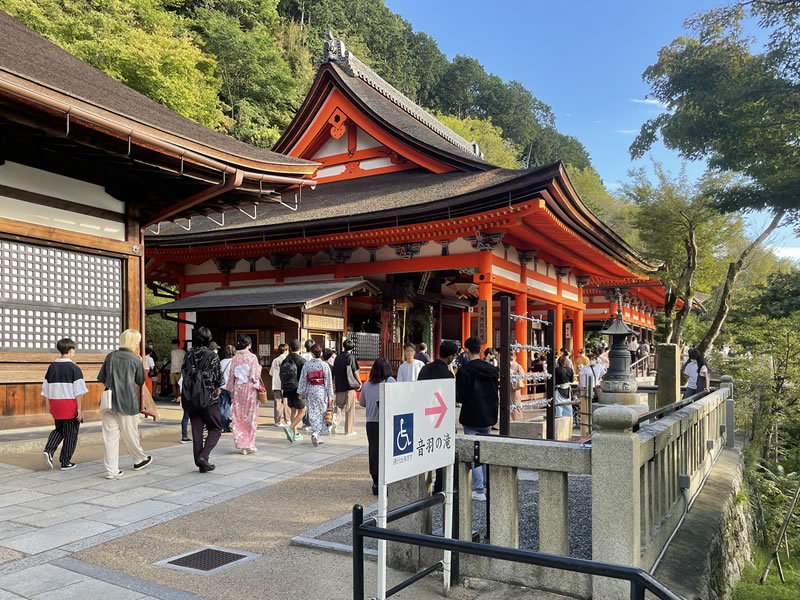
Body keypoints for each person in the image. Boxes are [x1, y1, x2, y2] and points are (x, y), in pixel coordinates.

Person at [97, 329, 153, 479]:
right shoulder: (135, 360)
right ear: (134, 343)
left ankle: (112, 470)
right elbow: (140, 381)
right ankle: (139, 459)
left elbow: (102, 377)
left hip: (109, 402)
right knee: (130, 434)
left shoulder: (110, 356)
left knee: (110, 437)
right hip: (128, 402)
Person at [456, 336, 499, 502]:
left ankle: (479, 489)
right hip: (488, 414)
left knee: (474, 452)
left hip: (471, 414)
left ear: (467, 350)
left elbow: (460, 395)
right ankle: (486, 485)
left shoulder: (465, 371)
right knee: (484, 450)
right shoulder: (491, 369)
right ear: (481, 350)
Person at [180, 327, 224, 472]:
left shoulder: (188, 355)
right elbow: (218, 378)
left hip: (191, 397)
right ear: (209, 339)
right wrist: (216, 388)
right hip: (208, 397)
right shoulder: (212, 355)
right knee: (216, 427)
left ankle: (200, 463)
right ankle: (203, 457)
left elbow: (184, 372)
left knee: (197, 429)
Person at [418, 341, 459, 495]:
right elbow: (449, 400)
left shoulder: (425, 369)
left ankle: (423, 486)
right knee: (441, 452)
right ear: (450, 356)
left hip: (425, 416)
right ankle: (439, 486)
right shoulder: (447, 374)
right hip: (441, 419)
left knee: (425, 449)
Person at [41, 338, 87, 471]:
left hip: (56, 403)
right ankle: (65, 461)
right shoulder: (74, 368)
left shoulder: (52, 367)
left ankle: (48, 450)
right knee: (71, 433)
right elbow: (78, 391)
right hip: (70, 404)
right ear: (71, 350)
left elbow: (46, 388)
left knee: (59, 430)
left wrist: (51, 405)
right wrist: (79, 409)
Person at [359, 357, 395, 495]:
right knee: (387, 452)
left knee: (374, 452)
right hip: (386, 422)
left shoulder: (367, 384)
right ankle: (387, 480)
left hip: (371, 423)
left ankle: (375, 482)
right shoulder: (390, 381)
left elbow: (362, 402)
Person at [226, 334, 262, 455]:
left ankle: (242, 444)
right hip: (249, 389)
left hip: (238, 389)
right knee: (251, 416)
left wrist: (230, 389)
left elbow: (231, 375)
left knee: (238, 416)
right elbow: (255, 376)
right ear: (249, 345)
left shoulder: (235, 358)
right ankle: (249, 444)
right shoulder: (252, 357)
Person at [296, 344, 334, 447]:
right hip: (322, 391)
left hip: (311, 391)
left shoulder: (307, 365)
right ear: (320, 353)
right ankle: (316, 433)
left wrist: (301, 392)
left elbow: (303, 380)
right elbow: (328, 381)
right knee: (321, 413)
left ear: (312, 354)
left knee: (312, 413)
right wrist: (330, 395)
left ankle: (317, 434)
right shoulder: (324, 365)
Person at [333, 339, 361, 435]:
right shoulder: (351, 357)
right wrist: (359, 382)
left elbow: (334, 373)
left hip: (339, 385)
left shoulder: (337, 358)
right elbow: (355, 371)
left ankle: (335, 422)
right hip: (350, 386)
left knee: (339, 406)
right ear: (352, 347)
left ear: (343, 346)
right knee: (350, 408)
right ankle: (348, 430)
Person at [281, 340, 307, 441]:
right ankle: (290, 428)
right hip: (298, 390)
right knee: (302, 411)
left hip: (288, 389)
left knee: (293, 411)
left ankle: (295, 433)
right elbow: (304, 377)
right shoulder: (302, 361)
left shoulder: (286, 359)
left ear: (291, 348)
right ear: (300, 348)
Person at [268, 343, 290, 428]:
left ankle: (277, 421)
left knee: (277, 402)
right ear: (286, 350)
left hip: (276, 384)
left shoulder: (275, 360)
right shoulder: (289, 359)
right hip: (286, 384)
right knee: (286, 402)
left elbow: (271, 373)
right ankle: (287, 419)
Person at [219, 345, 235, 433]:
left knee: (224, 406)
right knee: (233, 407)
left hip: (223, 387)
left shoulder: (221, 362)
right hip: (232, 387)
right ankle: (230, 423)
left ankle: (223, 425)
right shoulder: (234, 362)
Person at [509, 353, 526, 421]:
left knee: (516, 403)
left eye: (512, 359)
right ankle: (510, 419)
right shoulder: (506, 366)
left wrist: (514, 376)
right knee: (509, 403)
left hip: (515, 387)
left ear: (515, 358)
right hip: (509, 387)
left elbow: (523, 377)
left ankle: (517, 419)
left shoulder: (518, 366)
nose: (511, 360)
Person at [169, 339, 185, 403]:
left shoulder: (182, 352)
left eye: (173, 344)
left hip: (179, 369)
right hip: (172, 370)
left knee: (178, 385)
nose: (172, 346)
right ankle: (176, 397)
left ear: (176, 344)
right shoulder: (172, 352)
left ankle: (178, 397)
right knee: (173, 385)